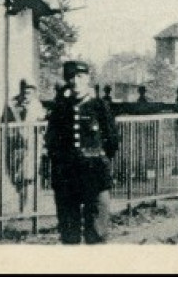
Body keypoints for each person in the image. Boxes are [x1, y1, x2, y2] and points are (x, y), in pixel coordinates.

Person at [47, 60, 120, 244]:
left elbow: (111, 142)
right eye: (71, 77)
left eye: (80, 76)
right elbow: (52, 142)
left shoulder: (100, 107)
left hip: (95, 176)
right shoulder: (60, 109)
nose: (75, 81)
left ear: (87, 78)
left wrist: (98, 161)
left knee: (96, 232)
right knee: (69, 232)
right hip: (67, 177)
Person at [1, 80, 46, 214]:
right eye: (25, 91)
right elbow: (3, 120)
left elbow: (42, 123)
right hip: (15, 147)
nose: (27, 95)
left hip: (30, 148)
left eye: (30, 92)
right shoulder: (12, 104)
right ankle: (23, 202)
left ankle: (24, 208)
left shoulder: (36, 106)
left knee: (27, 178)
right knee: (15, 178)